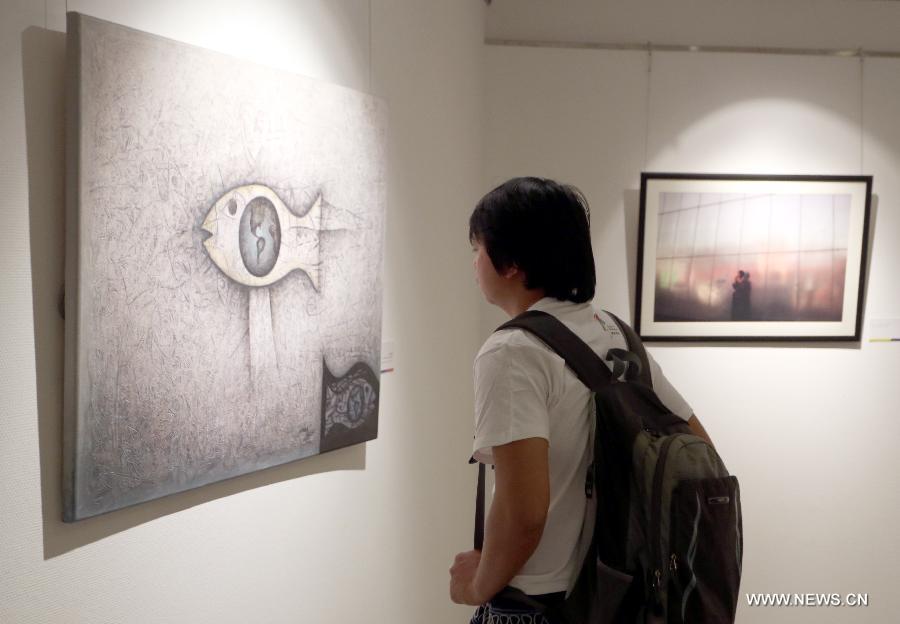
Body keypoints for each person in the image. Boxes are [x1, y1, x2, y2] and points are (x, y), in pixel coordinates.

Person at [449, 177, 714, 623]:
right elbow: (699, 451)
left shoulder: (512, 351)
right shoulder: (613, 332)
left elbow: (524, 512)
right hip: (618, 594)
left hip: (537, 603)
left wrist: (476, 585)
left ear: (510, 262)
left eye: (477, 250)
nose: (474, 264)